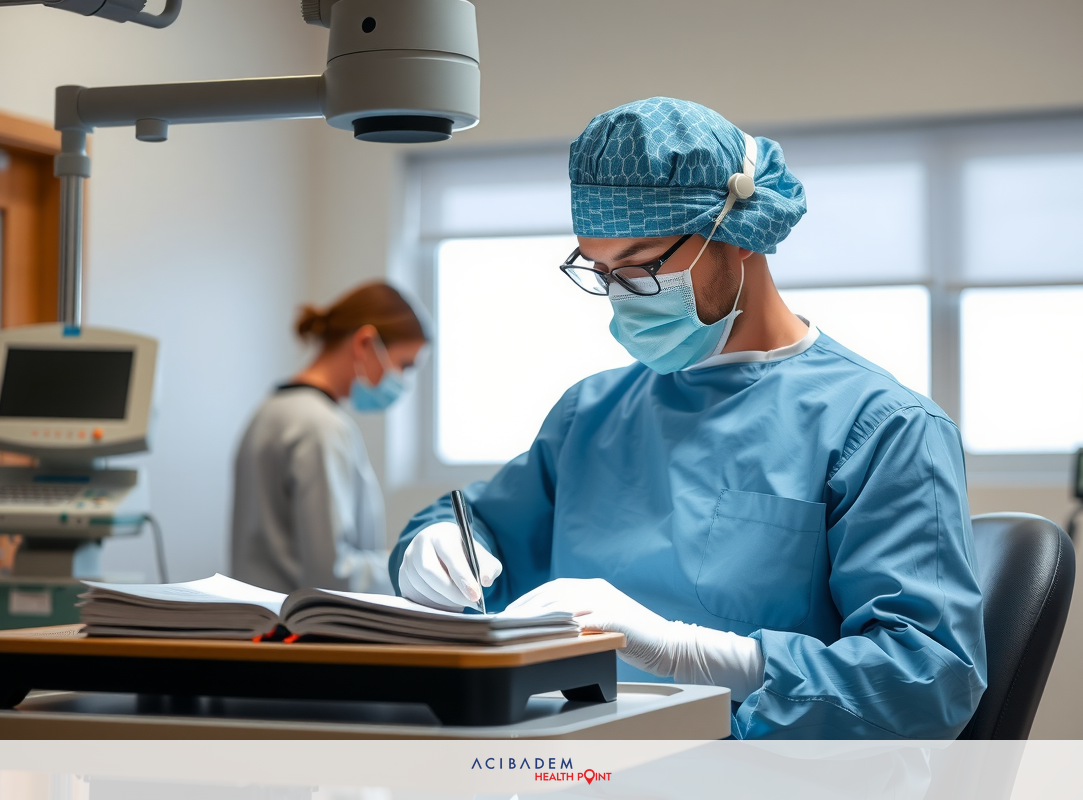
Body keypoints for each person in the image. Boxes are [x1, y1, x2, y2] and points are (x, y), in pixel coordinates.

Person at [390, 98, 986, 739]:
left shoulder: (882, 429)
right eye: (600, 271)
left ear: (737, 233)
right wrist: (436, 549)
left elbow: (925, 676)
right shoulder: (591, 414)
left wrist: (688, 654)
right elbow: (482, 525)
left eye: (642, 266)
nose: (621, 294)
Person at [231, 281, 428, 595]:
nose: (402, 381)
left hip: (262, 626)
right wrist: (414, 566)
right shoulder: (320, 426)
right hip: (304, 633)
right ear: (365, 343)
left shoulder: (269, 413)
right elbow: (333, 575)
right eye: (404, 365)